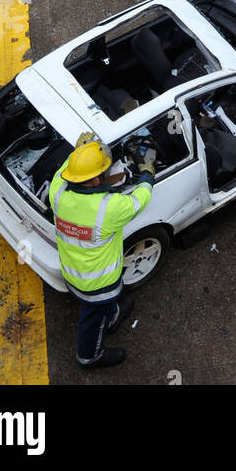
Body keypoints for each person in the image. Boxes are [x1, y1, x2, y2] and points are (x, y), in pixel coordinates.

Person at [49, 134, 156, 369]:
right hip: (98, 284)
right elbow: (142, 198)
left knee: (104, 307)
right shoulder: (109, 207)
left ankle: (114, 315)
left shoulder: (57, 193)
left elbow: (64, 171)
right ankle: (90, 356)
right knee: (92, 319)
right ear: (96, 180)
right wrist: (147, 173)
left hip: (72, 271)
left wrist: (80, 153)